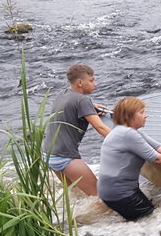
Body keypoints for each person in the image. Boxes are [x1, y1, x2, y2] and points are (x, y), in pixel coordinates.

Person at [41, 64, 111, 196]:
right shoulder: (83, 101)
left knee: (75, 195)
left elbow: (70, 106)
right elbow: (100, 127)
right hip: (65, 157)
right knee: (100, 197)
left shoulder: (62, 94)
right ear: (80, 83)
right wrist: (125, 140)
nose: (95, 84)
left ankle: (73, 217)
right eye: (91, 81)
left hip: (49, 154)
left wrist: (91, 106)